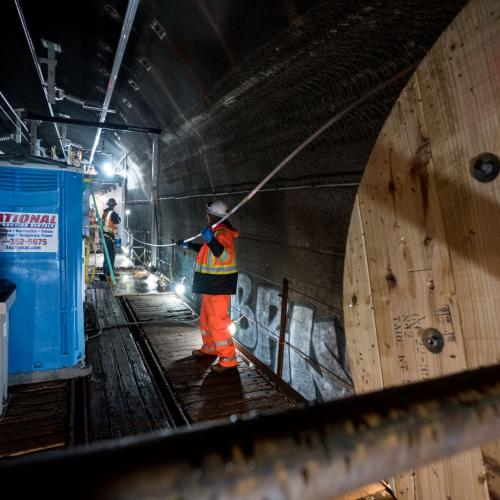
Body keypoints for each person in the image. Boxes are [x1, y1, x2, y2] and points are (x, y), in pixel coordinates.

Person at [177, 199, 239, 374]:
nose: (207, 215)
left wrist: (211, 240)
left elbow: (224, 255)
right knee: (206, 319)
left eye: (208, 213)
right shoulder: (216, 232)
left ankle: (228, 359)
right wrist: (188, 244)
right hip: (212, 285)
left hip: (219, 286)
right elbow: (208, 250)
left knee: (218, 322)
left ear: (213, 215)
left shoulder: (223, 233)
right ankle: (210, 348)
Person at [102, 198, 121, 279]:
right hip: (109, 237)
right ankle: (110, 272)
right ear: (113, 205)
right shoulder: (112, 213)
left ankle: (105, 270)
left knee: (106, 255)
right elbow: (118, 220)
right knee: (111, 255)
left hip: (104, 236)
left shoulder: (105, 213)